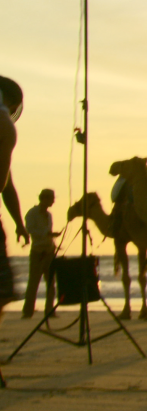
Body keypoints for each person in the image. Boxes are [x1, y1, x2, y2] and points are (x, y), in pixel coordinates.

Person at [0, 75, 27, 387]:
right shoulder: (5, 126)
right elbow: (2, 183)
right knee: (1, 290)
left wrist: (19, 222)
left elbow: (7, 185)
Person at [22, 189, 60, 318]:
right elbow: (30, 230)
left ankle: (50, 311)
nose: (53, 201)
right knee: (33, 283)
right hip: (38, 252)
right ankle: (27, 312)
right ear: (44, 199)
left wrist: (51, 237)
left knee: (51, 283)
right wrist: (47, 234)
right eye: (51, 198)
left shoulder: (49, 215)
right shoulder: (32, 213)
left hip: (49, 251)